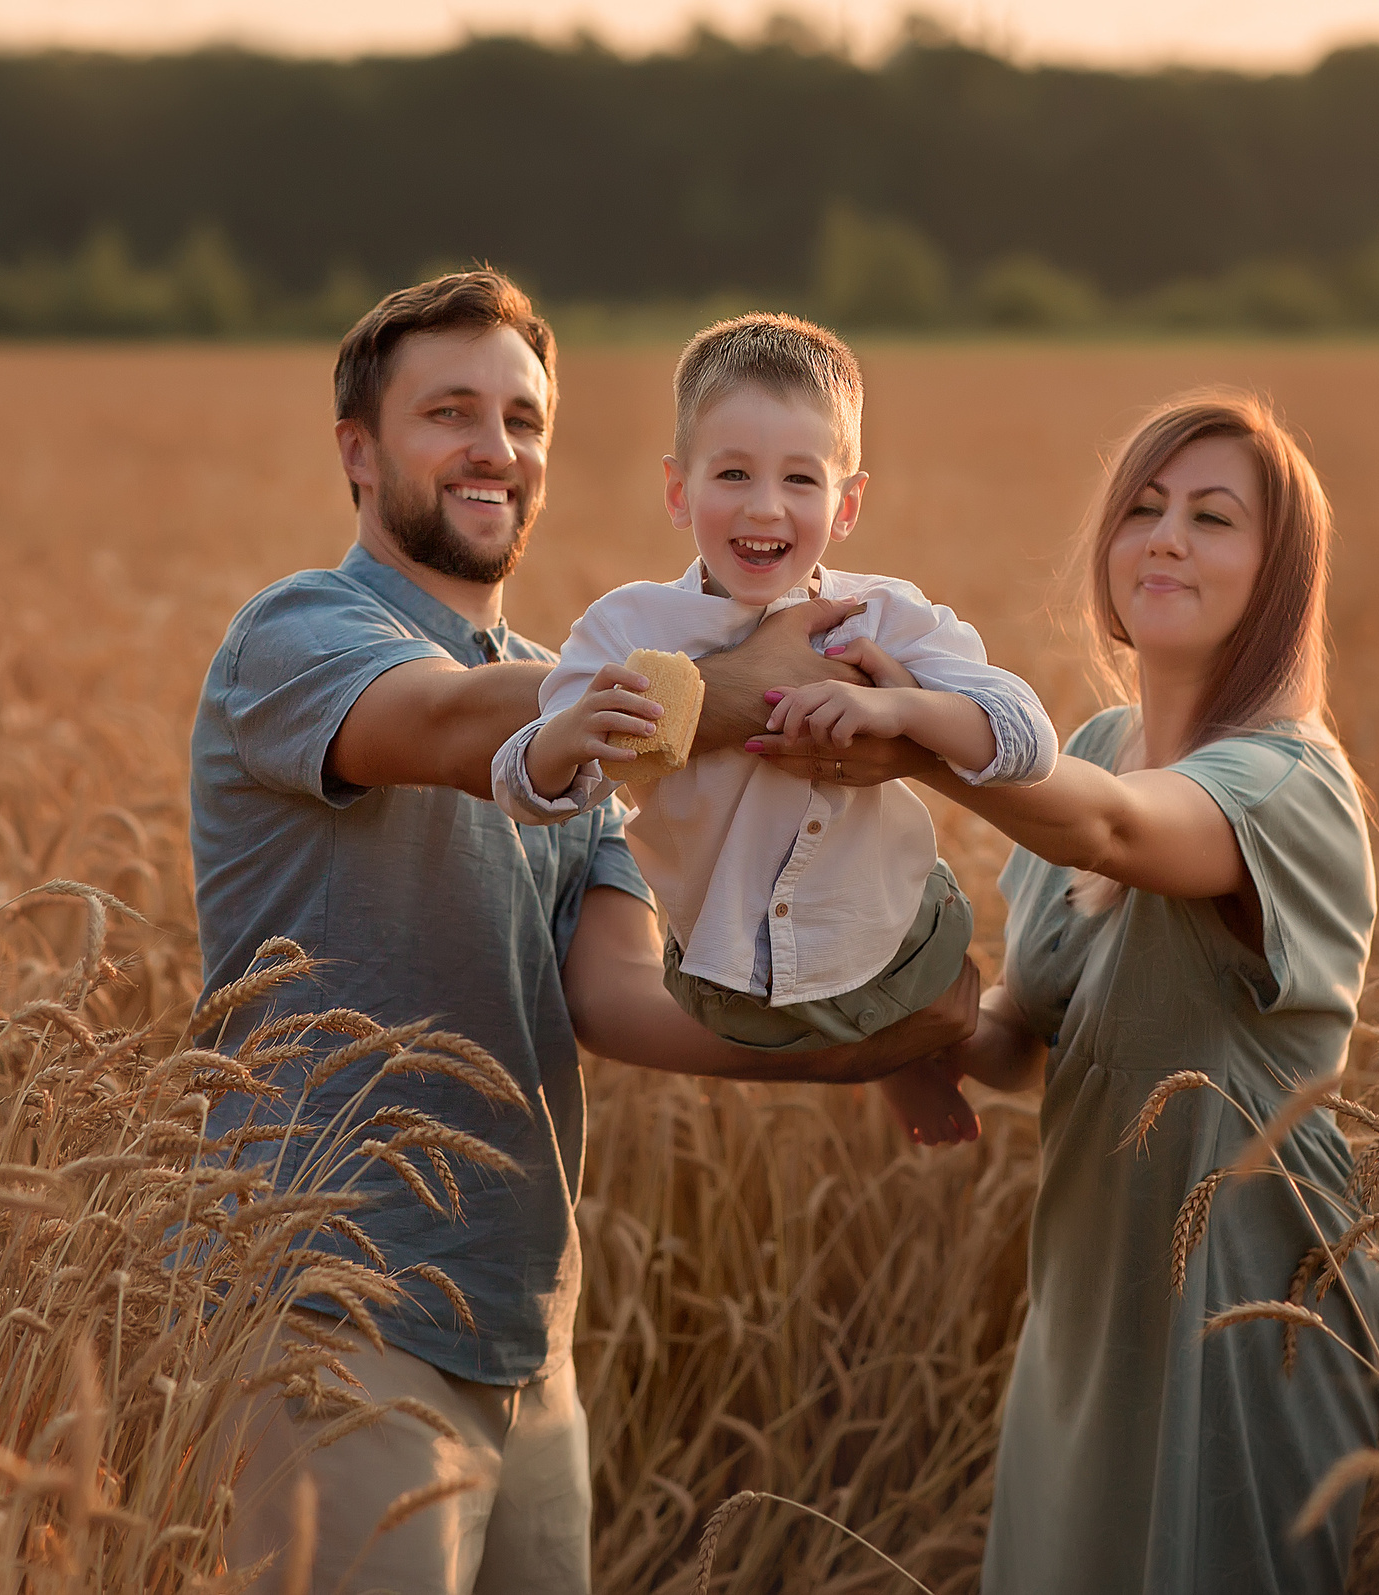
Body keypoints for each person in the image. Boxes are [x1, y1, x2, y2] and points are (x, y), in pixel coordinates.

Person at [189, 271, 979, 1595]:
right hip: (336, 1311)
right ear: (357, 451)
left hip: (522, 1333)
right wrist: (779, 667)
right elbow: (450, 728)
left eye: (523, 417)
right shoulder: (304, 632)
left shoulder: (591, 713)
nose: (497, 447)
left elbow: (613, 994)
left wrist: (863, 1036)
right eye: (451, 412)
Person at [753, 389, 1379, 1592]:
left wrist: (922, 736)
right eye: (1142, 508)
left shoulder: (1288, 781)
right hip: (1094, 1296)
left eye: (1212, 519)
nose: (1163, 537)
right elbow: (1030, 1041)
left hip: (1247, 1305)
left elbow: (1107, 832)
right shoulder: (1091, 746)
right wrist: (900, 1024)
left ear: (1279, 577)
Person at [490, 313, 1056, 1147]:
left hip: (898, 943)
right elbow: (523, 788)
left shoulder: (879, 617)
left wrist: (899, 710)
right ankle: (883, 1053)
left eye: (801, 479)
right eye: (733, 473)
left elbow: (1028, 738)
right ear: (678, 491)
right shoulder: (626, 629)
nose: (765, 507)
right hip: (728, 982)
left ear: (848, 501)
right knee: (848, 1038)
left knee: (945, 1009)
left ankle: (904, 1045)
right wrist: (572, 735)